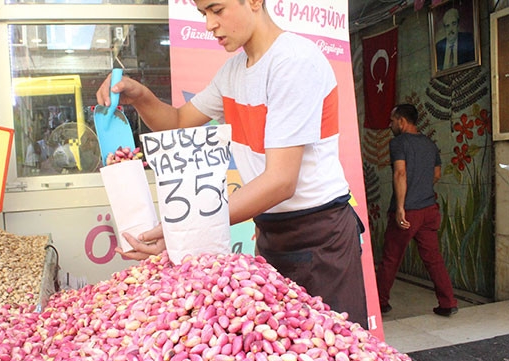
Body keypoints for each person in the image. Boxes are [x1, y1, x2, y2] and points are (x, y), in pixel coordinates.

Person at [96, 0, 368, 328]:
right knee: (283, 357)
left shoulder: (293, 61)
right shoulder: (233, 72)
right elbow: (180, 121)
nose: (209, 24)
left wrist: (186, 229)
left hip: (320, 236)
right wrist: (141, 96)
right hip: (272, 231)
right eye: (203, 14)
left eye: (217, 9)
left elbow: (281, 180)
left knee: (333, 356)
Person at [375, 104, 458, 317]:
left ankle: (380, 303)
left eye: (392, 121)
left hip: (408, 211)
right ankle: (448, 302)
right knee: (433, 258)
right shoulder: (430, 144)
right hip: (429, 209)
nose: (390, 125)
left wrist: (401, 207)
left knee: (391, 257)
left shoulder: (398, 143)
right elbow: (437, 174)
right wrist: (422, 189)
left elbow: (400, 173)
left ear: (402, 121)